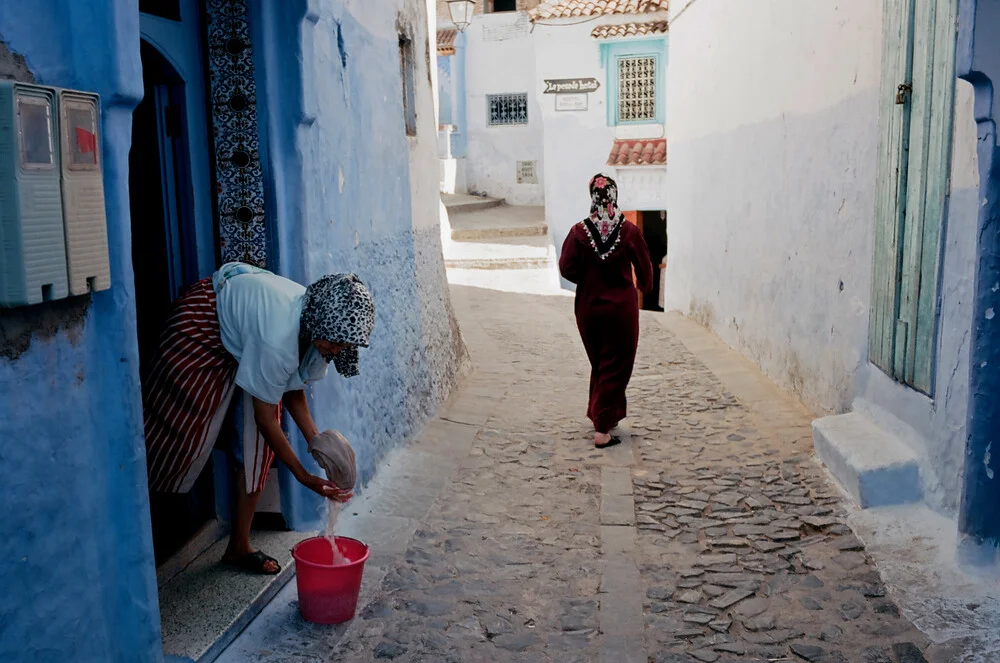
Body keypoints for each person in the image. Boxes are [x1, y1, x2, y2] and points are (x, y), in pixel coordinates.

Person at [143, 262, 375, 574]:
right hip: (203, 324)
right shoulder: (279, 337)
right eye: (333, 341)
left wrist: (318, 446)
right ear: (320, 321)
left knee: (259, 449)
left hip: (250, 336)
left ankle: (238, 547)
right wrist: (303, 477)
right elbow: (266, 418)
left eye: (342, 344)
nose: (335, 349)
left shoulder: (320, 330)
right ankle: (142, 532)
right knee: (177, 429)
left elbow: (292, 389)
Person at [559, 174, 653, 449]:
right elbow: (645, 269)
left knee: (602, 363)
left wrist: (588, 280)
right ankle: (602, 429)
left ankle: (604, 414)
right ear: (614, 196)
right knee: (617, 365)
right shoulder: (629, 231)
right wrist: (644, 287)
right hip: (621, 311)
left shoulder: (578, 232)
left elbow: (566, 268)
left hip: (588, 309)